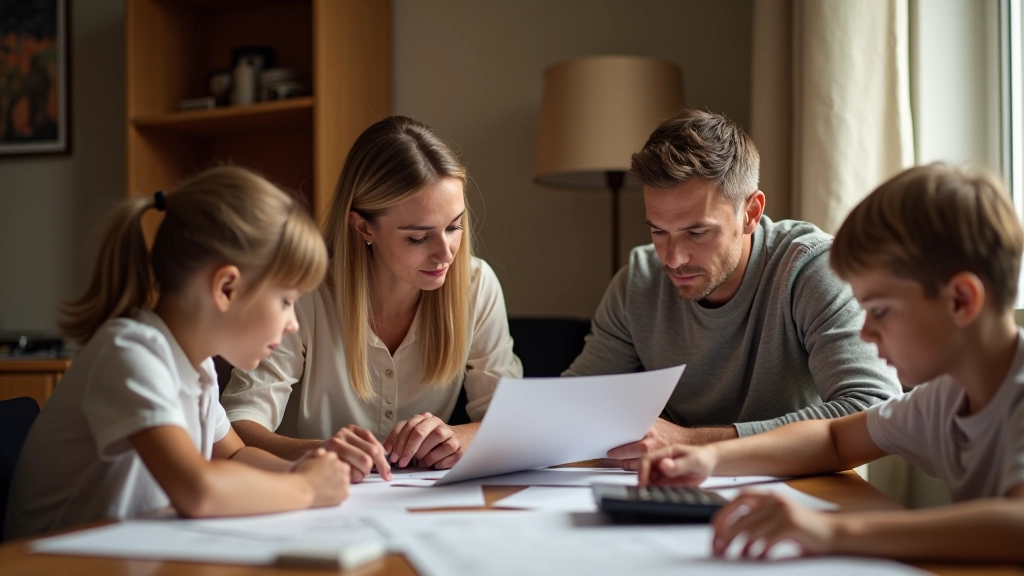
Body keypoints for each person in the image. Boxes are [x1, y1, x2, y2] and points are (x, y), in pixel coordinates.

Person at [640, 164, 1024, 562]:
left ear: (961, 300)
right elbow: (834, 438)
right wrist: (709, 458)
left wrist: (830, 530)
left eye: (880, 310)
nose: (866, 333)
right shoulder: (945, 400)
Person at [4, 166, 349, 541]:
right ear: (227, 289)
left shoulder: (195, 364)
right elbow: (197, 491)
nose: (293, 324)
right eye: (286, 301)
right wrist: (307, 490)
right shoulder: (131, 355)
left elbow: (233, 455)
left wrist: (306, 467)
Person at [563, 109, 900, 469]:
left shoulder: (812, 269)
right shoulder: (638, 282)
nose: (674, 259)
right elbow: (575, 404)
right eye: (659, 231)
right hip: (673, 489)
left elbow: (874, 410)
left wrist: (696, 444)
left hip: (799, 494)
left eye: (697, 232)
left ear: (751, 212)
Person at [221, 116, 522, 479]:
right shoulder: (301, 293)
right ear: (363, 227)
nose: (446, 253)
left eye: (454, 226)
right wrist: (319, 451)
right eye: (418, 237)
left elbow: (512, 418)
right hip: (312, 497)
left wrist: (457, 437)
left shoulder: (476, 284)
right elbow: (238, 424)